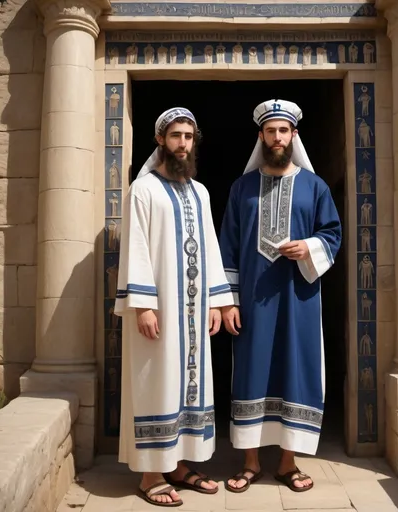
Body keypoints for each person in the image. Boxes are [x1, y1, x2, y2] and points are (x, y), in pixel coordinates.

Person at [219, 99, 342, 494]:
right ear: (261, 136)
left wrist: (308, 248)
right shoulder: (242, 188)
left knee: (296, 370)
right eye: (270, 131)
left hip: (299, 300)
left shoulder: (315, 186)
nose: (277, 137)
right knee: (252, 371)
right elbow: (229, 246)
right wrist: (229, 300)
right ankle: (251, 462)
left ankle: (288, 463)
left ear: (294, 135)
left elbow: (333, 235)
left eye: (283, 130)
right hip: (254, 301)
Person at [114, 107, 234, 507]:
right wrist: (144, 306)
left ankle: (179, 466)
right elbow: (136, 249)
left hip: (196, 315)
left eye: (188, 137)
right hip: (158, 311)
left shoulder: (200, 192)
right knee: (156, 384)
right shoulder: (143, 189)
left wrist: (218, 300)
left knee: (189, 386)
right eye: (175, 136)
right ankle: (151, 475)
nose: (182, 143)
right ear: (160, 141)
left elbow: (212, 248)